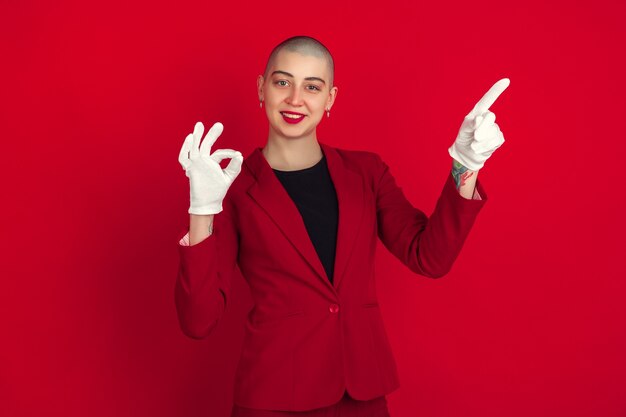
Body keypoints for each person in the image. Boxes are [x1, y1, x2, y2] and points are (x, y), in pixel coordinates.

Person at [176, 35, 509, 417]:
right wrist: (202, 208)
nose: (295, 98)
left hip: (362, 395)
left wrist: (465, 164)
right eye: (282, 82)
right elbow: (198, 321)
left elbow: (428, 257)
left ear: (330, 99)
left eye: (312, 86)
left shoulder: (366, 173)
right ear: (261, 88)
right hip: (274, 397)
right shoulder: (230, 188)